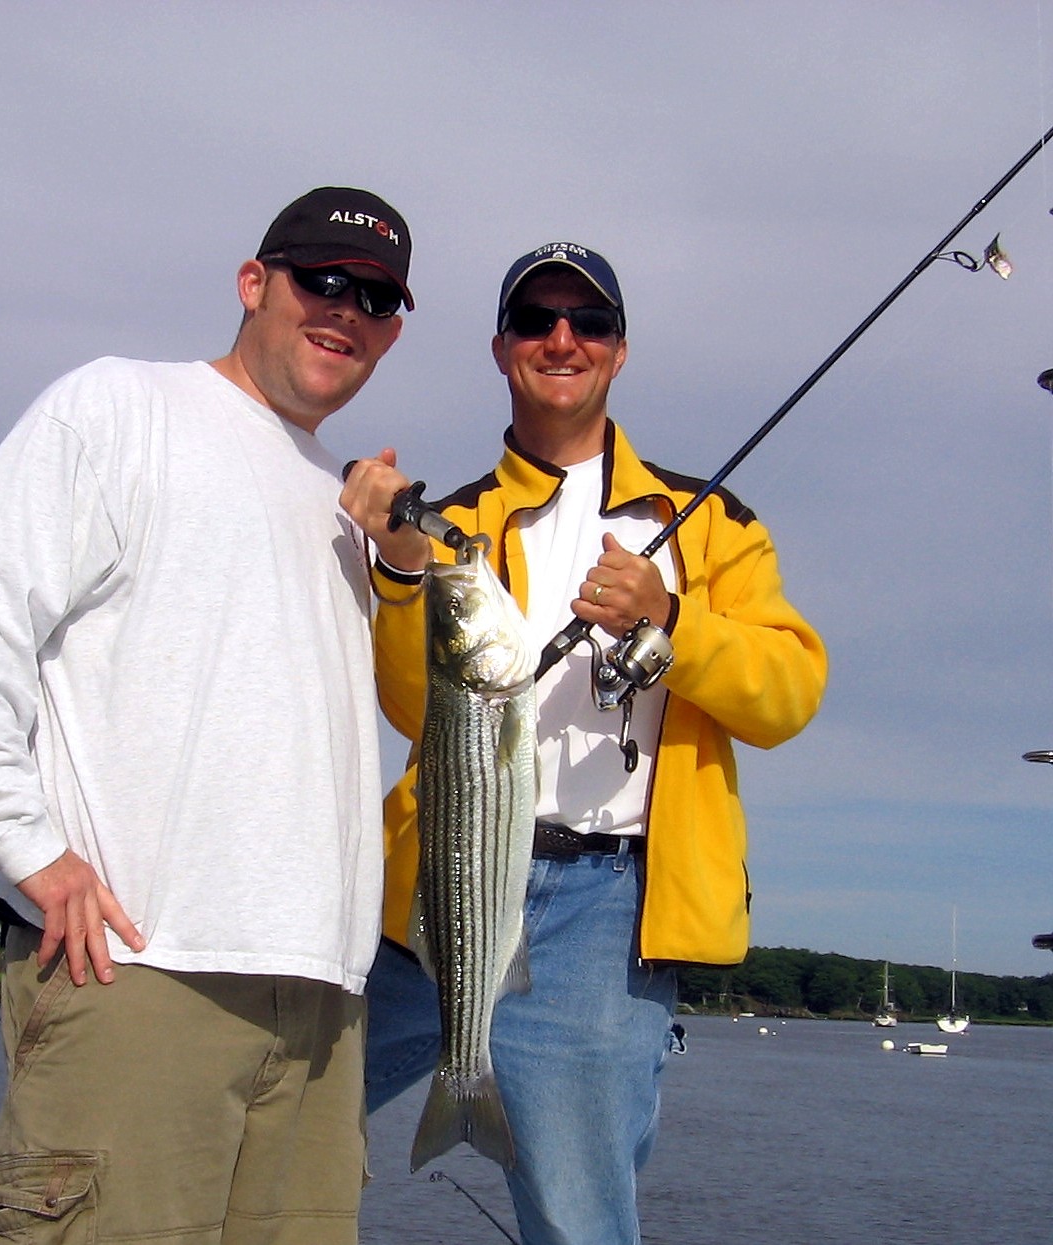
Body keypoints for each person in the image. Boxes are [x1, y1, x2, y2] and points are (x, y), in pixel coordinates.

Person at [0, 186, 415, 1245]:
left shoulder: (344, 504)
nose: (344, 310)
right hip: (134, 968)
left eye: (374, 298)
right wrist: (24, 841)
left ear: (392, 333)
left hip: (322, 1001)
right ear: (253, 284)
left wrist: (405, 565)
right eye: (321, 280)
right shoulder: (119, 406)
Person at [340, 241, 826, 1245]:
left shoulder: (709, 521)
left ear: (619, 350)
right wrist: (401, 572)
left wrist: (671, 621)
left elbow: (788, 696)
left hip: (603, 913)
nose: (562, 339)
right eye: (535, 320)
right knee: (281, 1121)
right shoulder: (452, 523)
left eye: (588, 322)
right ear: (501, 348)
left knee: (577, 1221)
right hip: (437, 882)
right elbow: (413, 709)